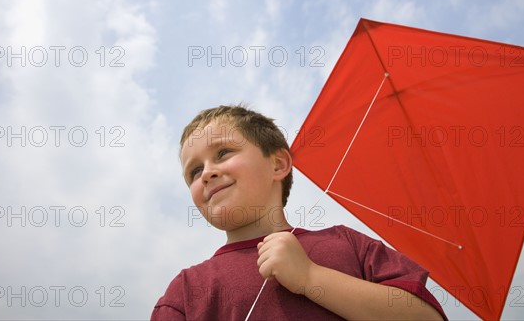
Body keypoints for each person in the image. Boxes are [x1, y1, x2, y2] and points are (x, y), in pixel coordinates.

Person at [151, 105, 447, 320]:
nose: (207, 173)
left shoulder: (348, 243)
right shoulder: (187, 290)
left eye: (223, 153)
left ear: (278, 164)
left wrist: (310, 277)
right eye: (194, 171)